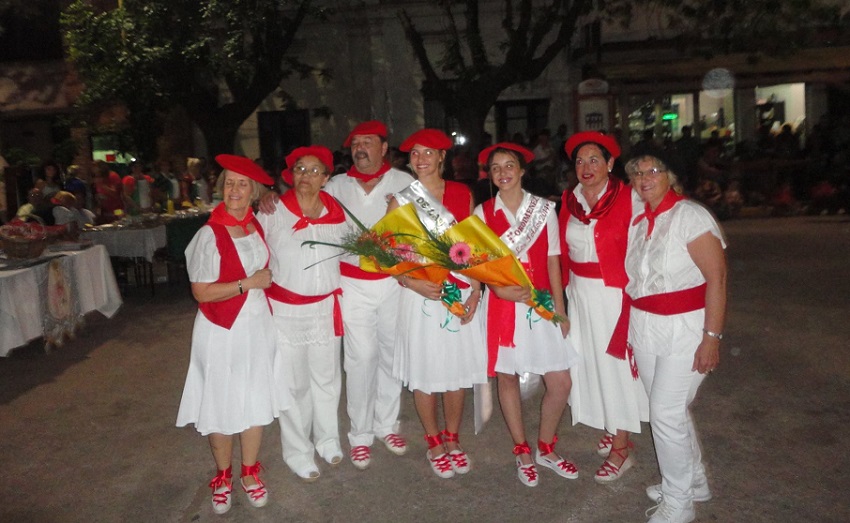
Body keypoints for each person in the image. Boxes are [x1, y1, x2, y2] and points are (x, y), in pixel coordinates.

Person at [176, 154, 284, 515]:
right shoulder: (209, 233)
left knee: (254, 397)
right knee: (221, 400)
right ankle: (222, 476)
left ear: (254, 191)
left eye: (242, 184)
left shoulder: (256, 224)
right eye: (229, 183)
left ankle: (250, 472)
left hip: (257, 325)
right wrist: (248, 283)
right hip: (220, 328)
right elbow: (202, 292)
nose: (234, 190)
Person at [624, 152, 726, 523]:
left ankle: (679, 501)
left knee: (664, 413)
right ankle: (694, 481)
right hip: (646, 326)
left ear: (670, 174)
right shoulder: (639, 219)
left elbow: (717, 278)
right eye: (637, 173)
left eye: (652, 170)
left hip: (685, 327)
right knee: (670, 411)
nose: (643, 177)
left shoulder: (690, 216)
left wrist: (711, 337)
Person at [474, 142, 580, 487]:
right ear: (490, 175)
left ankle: (546, 447)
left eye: (509, 166)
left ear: (522, 171)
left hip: (540, 302)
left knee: (560, 380)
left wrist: (559, 310)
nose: (503, 173)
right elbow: (476, 264)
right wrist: (496, 289)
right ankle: (521, 449)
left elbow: (552, 258)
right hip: (503, 304)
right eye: (496, 168)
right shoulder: (482, 213)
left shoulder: (543, 210)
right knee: (507, 377)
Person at [387, 128, 486, 479]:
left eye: (429, 152)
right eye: (415, 153)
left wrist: (476, 291)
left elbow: (473, 248)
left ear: (443, 157)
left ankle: (453, 438)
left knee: (456, 371)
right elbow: (388, 255)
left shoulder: (461, 193)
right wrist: (414, 283)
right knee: (426, 372)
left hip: (458, 290)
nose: (421, 158)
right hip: (421, 296)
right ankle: (433, 441)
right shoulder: (401, 199)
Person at [323, 121, 414, 469]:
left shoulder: (404, 183)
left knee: (392, 353)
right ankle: (360, 434)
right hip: (352, 283)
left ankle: (386, 424)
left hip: (393, 282)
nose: (360, 148)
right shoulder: (336, 186)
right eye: (355, 143)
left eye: (368, 142)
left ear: (383, 146)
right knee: (360, 359)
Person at [559, 131, 649, 483]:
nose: (586, 167)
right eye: (580, 161)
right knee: (592, 363)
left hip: (614, 295)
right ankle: (615, 424)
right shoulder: (569, 202)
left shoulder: (631, 199)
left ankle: (622, 446)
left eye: (595, 159)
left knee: (617, 366)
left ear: (611, 164)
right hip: (580, 295)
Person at [257, 146, 348, 482]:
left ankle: (327, 440)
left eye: (314, 170)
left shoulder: (338, 212)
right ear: (290, 175)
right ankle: (298, 451)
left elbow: (354, 251)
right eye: (299, 169)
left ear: (326, 178)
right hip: (286, 312)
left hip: (325, 309)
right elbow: (253, 252)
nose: (305, 176)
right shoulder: (273, 211)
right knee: (294, 386)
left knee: (327, 380)